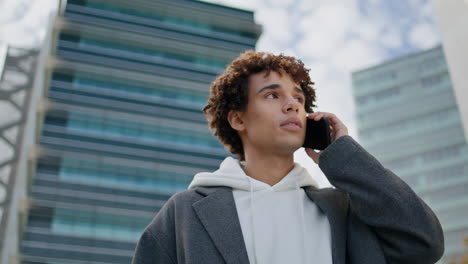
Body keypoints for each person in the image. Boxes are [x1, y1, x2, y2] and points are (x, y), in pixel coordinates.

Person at [132, 51, 444, 264]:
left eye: (299, 97)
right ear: (238, 119)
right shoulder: (185, 212)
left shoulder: (342, 209)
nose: (293, 105)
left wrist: (345, 155)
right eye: (272, 94)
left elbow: (423, 243)